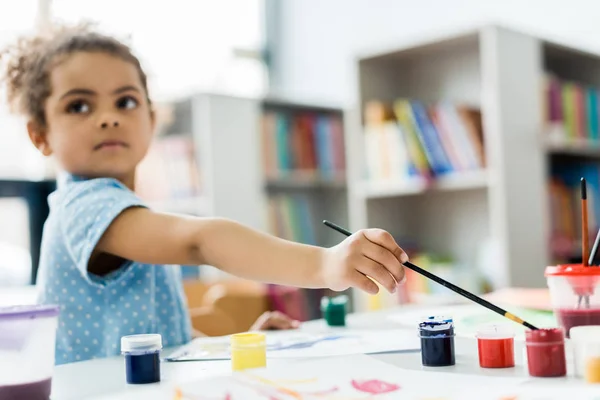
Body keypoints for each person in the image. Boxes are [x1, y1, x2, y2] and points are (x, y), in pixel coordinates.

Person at [0, 23, 408, 365]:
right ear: (40, 135)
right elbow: (200, 241)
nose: (107, 118)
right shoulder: (84, 207)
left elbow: (160, 334)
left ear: (151, 119)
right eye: (79, 107)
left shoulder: (125, 215)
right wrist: (325, 264)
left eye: (125, 101)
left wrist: (239, 344)